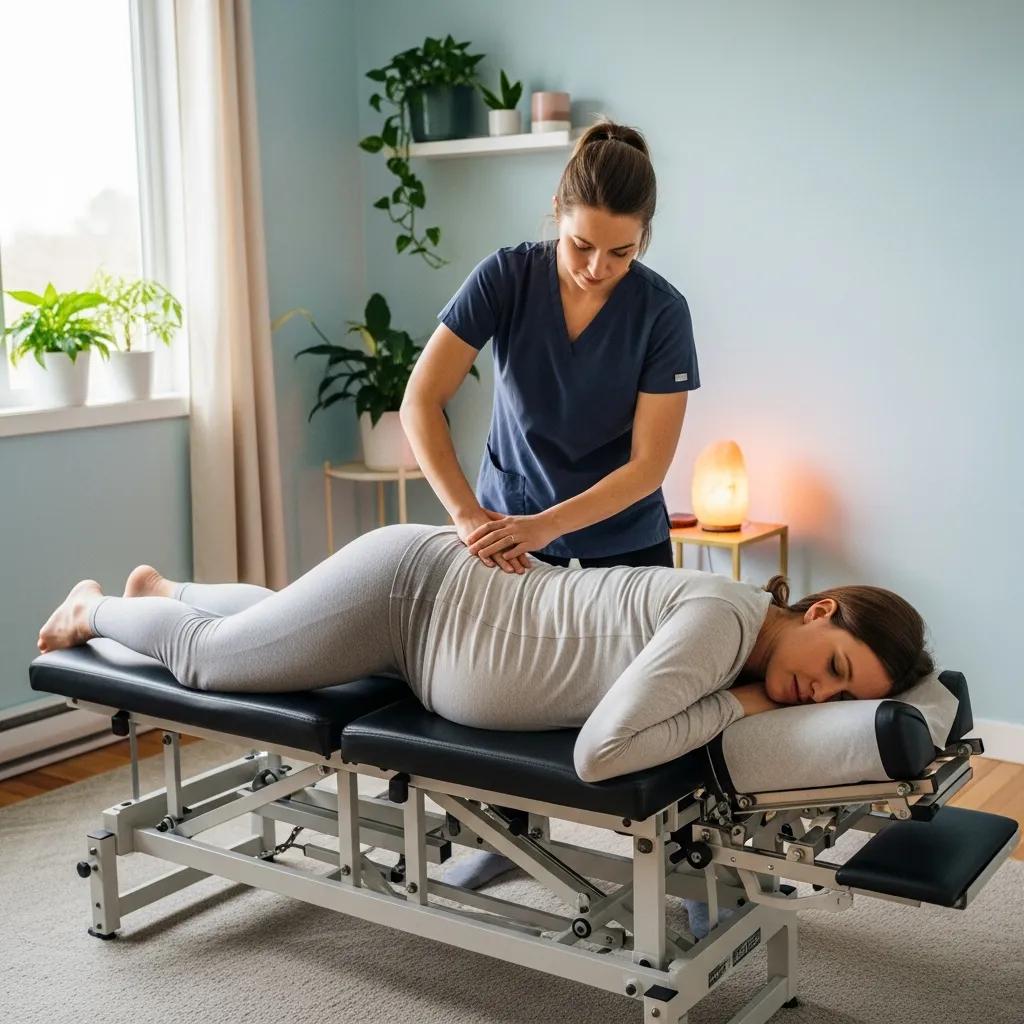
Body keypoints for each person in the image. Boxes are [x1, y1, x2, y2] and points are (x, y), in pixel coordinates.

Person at [37, 524, 934, 788]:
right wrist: (749, 709)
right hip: (416, 597)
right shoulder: (722, 630)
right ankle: (100, 608)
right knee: (208, 664)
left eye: (830, 700)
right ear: (822, 609)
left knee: (276, 629)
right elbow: (602, 753)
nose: (812, 693)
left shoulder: (741, 632)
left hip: (431, 636)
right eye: (835, 670)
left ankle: (165, 593)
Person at [401, 119, 697, 578]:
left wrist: (547, 526)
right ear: (557, 210)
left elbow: (648, 466)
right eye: (581, 245)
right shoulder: (504, 278)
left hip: (625, 543)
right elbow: (420, 399)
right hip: (508, 536)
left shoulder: (663, 313)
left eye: (622, 252)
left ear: (644, 236)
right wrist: (465, 515)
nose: (598, 268)